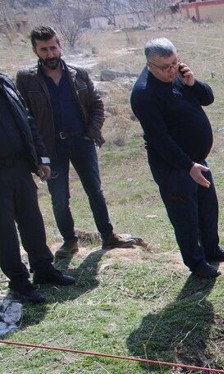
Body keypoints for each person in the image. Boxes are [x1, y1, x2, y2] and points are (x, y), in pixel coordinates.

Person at [17, 26, 138, 259]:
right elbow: (26, 116)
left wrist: (91, 133)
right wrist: (35, 152)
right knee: (59, 196)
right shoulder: (26, 79)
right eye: (44, 49)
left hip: (81, 141)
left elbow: (97, 106)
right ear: (35, 50)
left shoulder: (78, 73)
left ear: (60, 45)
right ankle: (69, 241)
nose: (50, 54)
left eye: (53, 47)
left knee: (95, 190)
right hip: (51, 147)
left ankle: (108, 235)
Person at [130, 38, 224, 279]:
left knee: (208, 207)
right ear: (149, 65)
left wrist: (192, 82)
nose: (171, 70)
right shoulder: (144, 94)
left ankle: (211, 250)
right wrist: (188, 166)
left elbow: (207, 98)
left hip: (197, 160)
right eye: (165, 67)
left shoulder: (179, 75)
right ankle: (196, 263)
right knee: (185, 216)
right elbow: (160, 140)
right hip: (174, 167)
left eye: (174, 63)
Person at [0, 72, 75, 304]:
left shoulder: (4, 80)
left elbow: (27, 120)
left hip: (19, 166)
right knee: (4, 232)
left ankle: (43, 268)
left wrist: (41, 157)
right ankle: (19, 282)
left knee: (32, 220)